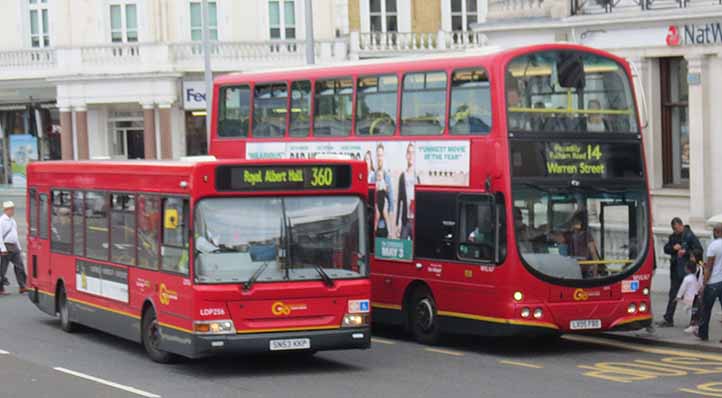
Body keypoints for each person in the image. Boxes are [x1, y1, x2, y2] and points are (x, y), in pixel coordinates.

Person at [658, 217, 703, 327]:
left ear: (681, 225)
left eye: (677, 228)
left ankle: (694, 321)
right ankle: (668, 318)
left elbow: (699, 250)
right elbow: (666, 248)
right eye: (674, 229)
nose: (676, 231)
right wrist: (674, 248)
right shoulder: (673, 236)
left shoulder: (690, 236)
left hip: (688, 271)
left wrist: (686, 252)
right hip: (675, 271)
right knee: (673, 294)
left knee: (692, 296)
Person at [696, 224, 722, 341]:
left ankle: (703, 333)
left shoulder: (713, 246)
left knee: (705, 309)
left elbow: (709, 267)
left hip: (713, 282)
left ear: (716, 232)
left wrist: (704, 283)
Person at [0, 201, 28, 295]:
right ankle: (1, 288)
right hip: (5, 246)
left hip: (14, 246)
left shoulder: (12, 220)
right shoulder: (1, 221)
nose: (13, 211)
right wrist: (3, 249)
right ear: (6, 210)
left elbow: (14, 235)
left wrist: (19, 247)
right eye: (11, 209)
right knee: (2, 269)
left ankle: (22, 286)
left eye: (13, 209)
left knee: (20, 266)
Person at [567, 211, 601, 278]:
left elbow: (594, 254)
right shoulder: (572, 235)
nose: (574, 224)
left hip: (585, 268)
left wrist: (594, 273)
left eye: (576, 222)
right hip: (576, 267)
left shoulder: (586, 235)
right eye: (573, 222)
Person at [369, 143, 394, 234]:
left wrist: (391, 226)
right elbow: (370, 199)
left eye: (381, 155)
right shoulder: (372, 177)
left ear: (383, 157)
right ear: (376, 157)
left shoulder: (387, 177)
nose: (379, 158)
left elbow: (391, 201)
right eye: (378, 155)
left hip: (384, 225)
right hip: (374, 221)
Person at [677, 248, 703, 334]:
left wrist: (699, 290)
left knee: (694, 310)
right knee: (695, 309)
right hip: (697, 292)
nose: (691, 258)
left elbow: (700, 280)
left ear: (697, 257)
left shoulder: (700, 267)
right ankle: (695, 325)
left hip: (698, 292)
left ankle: (694, 326)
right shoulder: (699, 265)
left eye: (692, 256)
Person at [396, 143, 419, 240]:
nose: (411, 155)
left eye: (413, 153)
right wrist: (397, 222)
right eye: (409, 153)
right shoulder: (403, 176)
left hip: (415, 221)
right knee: (403, 246)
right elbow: (399, 201)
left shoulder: (417, 177)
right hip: (405, 221)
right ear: (406, 155)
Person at [374, 169, 391, 238]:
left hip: (383, 201)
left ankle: (389, 231)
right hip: (378, 201)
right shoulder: (376, 183)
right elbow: (375, 191)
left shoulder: (384, 183)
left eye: (380, 176)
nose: (379, 177)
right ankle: (374, 231)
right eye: (378, 176)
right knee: (377, 217)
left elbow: (387, 192)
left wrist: (386, 188)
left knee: (385, 216)